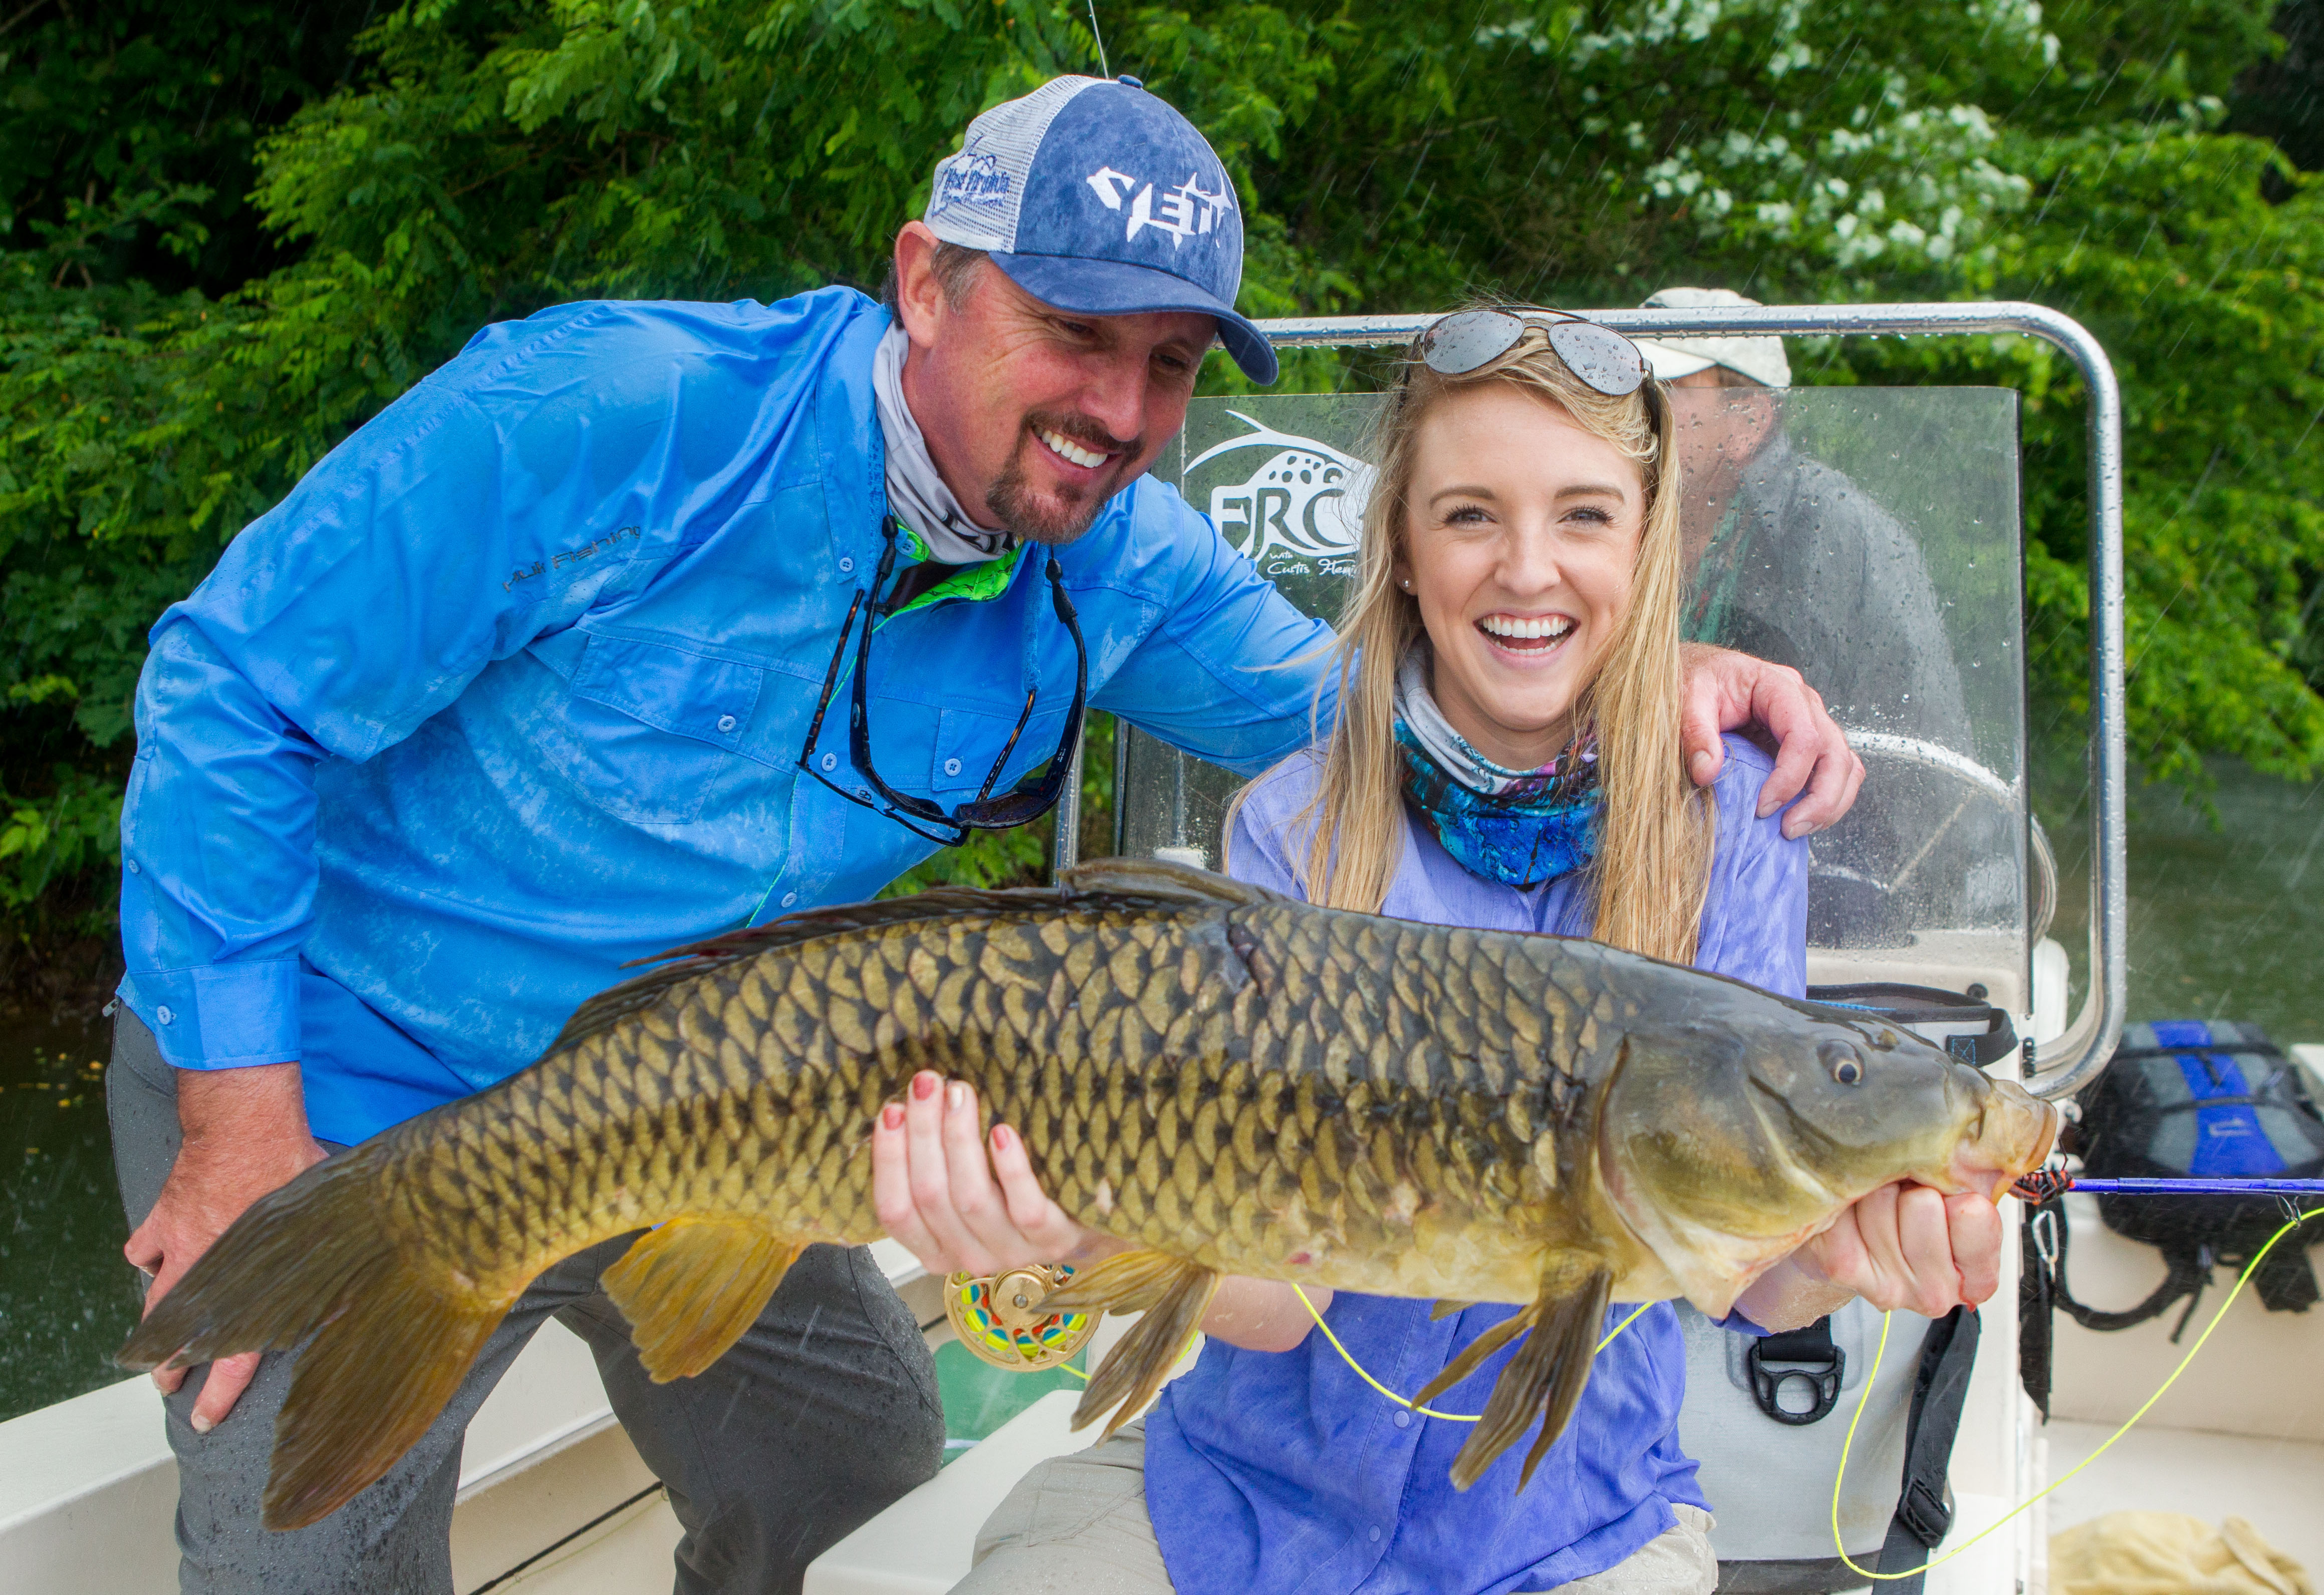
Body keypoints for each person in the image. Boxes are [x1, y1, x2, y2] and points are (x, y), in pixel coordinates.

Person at [110, 75, 1864, 1595]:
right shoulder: (611, 410)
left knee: (857, 1476)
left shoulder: (1118, 560)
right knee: (303, 1530)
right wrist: (235, 1116)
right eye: (1076, 335)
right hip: (323, 1062)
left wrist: (1653, 661)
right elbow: (227, 687)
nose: (1121, 407)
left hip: (746, 1085)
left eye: (1169, 362)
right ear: (925, 282)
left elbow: (1414, 714)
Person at [874, 308, 2000, 1594]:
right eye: (1469, 515)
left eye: (1584, 516)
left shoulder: (1733, 819)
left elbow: (1745, 1283)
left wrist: (1845, 1255)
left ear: (1648, 549)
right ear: (1403, 550)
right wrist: (1066, 1236)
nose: (1527, 569)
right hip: (1237, 1501)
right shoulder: (1291, 817)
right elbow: (1274, 1294)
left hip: (1576, 1530)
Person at [1638, 285, 1980, 946]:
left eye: (1662, 392)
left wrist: (1838, 897)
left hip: (1801, 878)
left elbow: (1920, 766)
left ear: (1748, 422)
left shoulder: (1844, 536)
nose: (1630, 413)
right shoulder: (1600, 517)